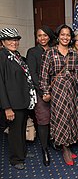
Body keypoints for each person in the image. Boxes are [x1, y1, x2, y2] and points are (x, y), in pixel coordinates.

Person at [39, 24, 78, 166]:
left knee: (70, 117)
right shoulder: (50, 53)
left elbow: (77, 74)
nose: (65, 37)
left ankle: (68, 144)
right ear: (58, 36)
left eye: (68, 35)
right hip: (57, 91)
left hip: (71, 90)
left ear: (71, 38)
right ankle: (65, 149)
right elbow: (44, 76)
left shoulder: (74, 53)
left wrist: (73, 79)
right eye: (62, 34)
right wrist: (46, 92)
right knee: (61, 118)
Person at [0, 28, 37, 170]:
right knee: (15, 132)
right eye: (10, 39)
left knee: (21, 129)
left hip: (23, 101)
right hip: (12, 103)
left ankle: (22, 152)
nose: (14, 42)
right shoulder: (2, 56)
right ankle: (16, 159)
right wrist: (7, 107)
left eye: (16, 39)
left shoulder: (16, 55)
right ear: (3, 42)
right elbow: (1, 84)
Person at [26, 25, 55, 167]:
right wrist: (44, 91)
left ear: (49, 36)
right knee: (43, 120)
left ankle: (54, 142)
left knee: (54, 118)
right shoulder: (32, 52)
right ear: (36, 38)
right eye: (39, 36)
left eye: (45, 35)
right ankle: (44, 149)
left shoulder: (54, 50)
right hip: (41, 93)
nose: (42, 38)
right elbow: (33, 75)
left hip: (56, 91)